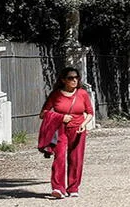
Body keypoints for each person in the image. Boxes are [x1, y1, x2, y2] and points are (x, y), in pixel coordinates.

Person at [39, 67, 94, 199]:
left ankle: (73, 188)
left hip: (78, 129)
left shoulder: (82, 94)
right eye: (70, 78)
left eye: (76, 78)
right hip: (60, 129)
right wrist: (60, 117)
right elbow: (43, 114)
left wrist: (83, 124)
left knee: (76, 158)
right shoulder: (56, 95)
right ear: (63, 80)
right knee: (60, 157)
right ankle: (58, 188)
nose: (74, 80)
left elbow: (90, 113)